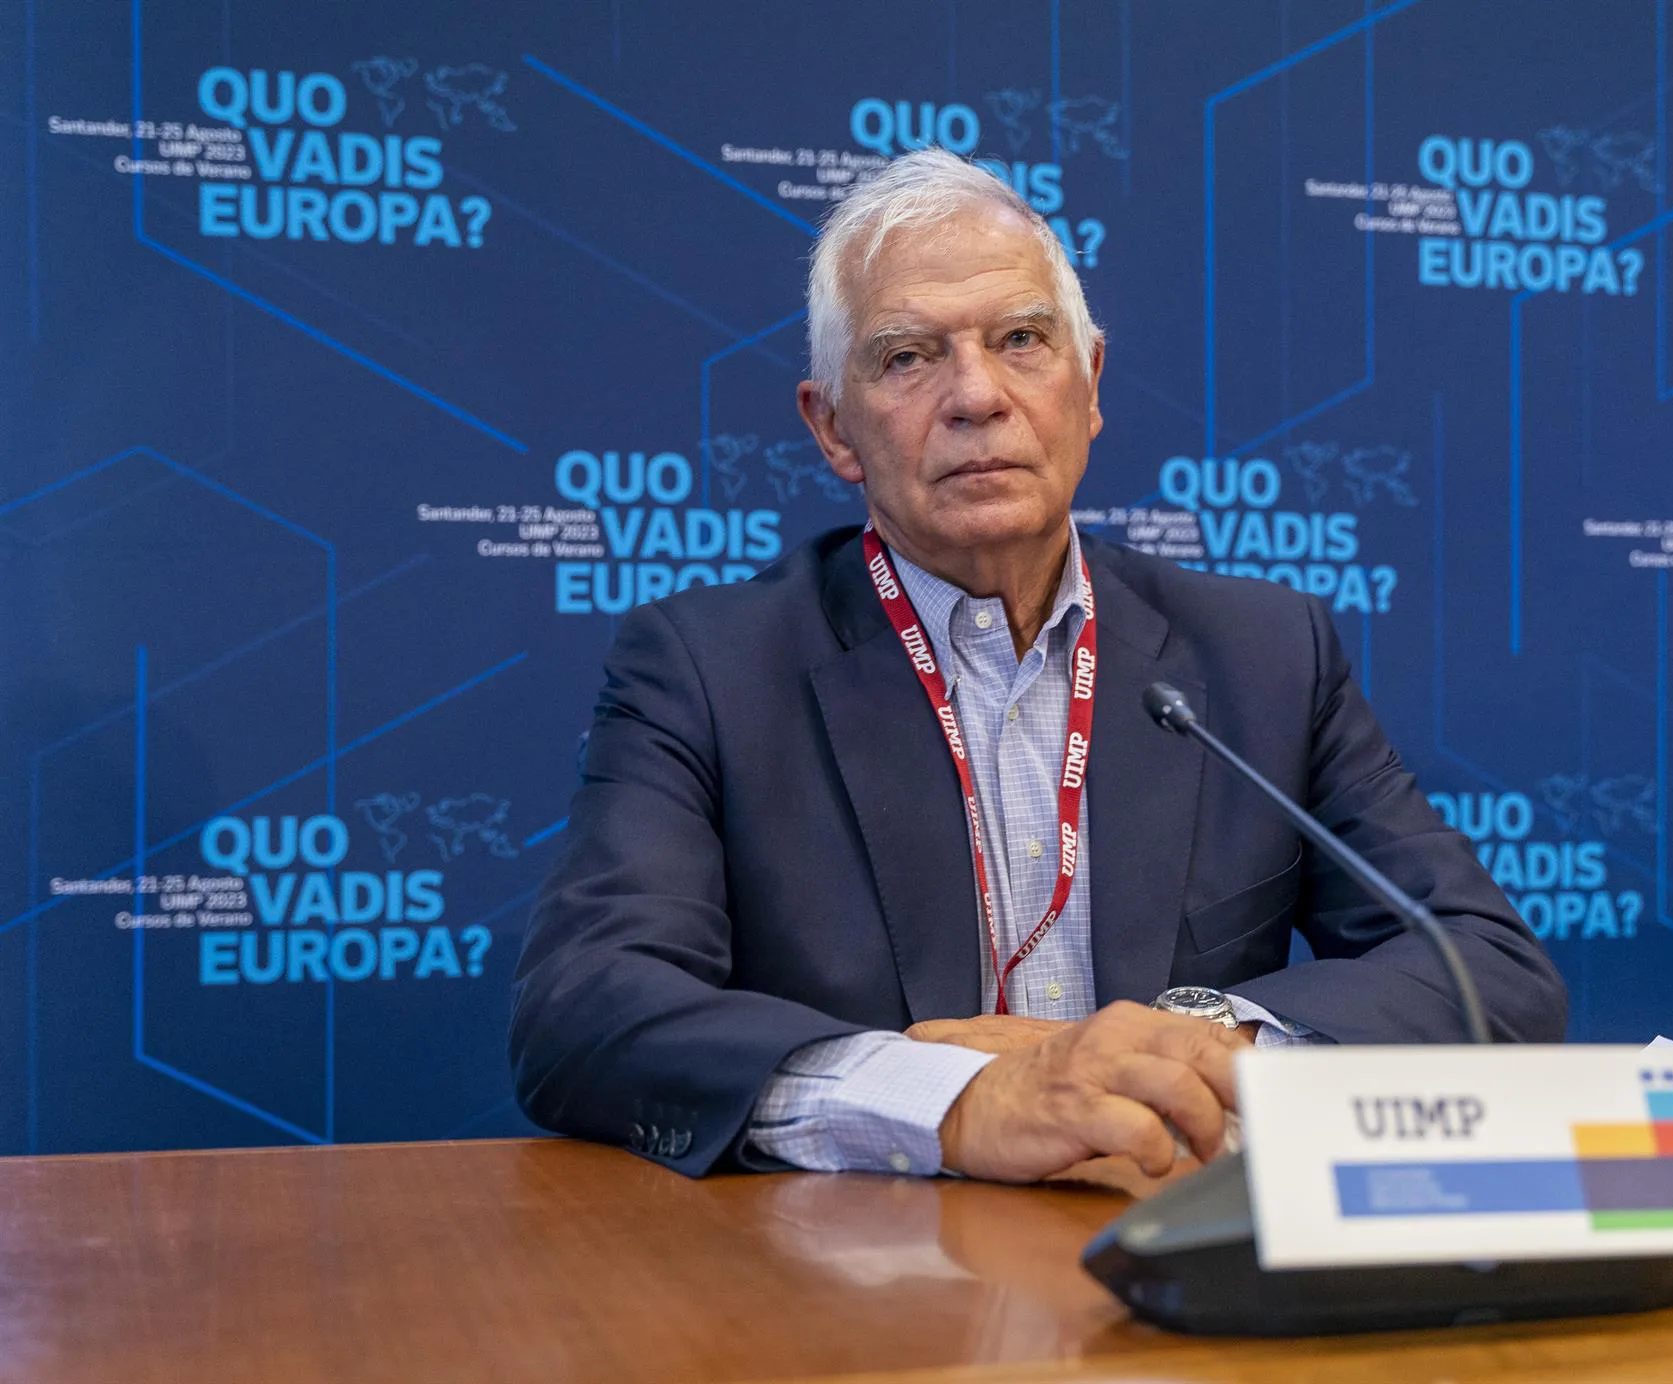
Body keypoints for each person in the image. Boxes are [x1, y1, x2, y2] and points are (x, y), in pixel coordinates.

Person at [508, 149, 1565, 1183]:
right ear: (833, 427)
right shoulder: (707, 670)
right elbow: (582, 1010)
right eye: (907, 357)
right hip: (869, 1265)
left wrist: (1193, 1046)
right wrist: (952, 1101)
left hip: (1169, 1238)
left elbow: (1488, 967)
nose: (977, 395)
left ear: (1089, 382)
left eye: (1021, 339)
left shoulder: (1264, 654)